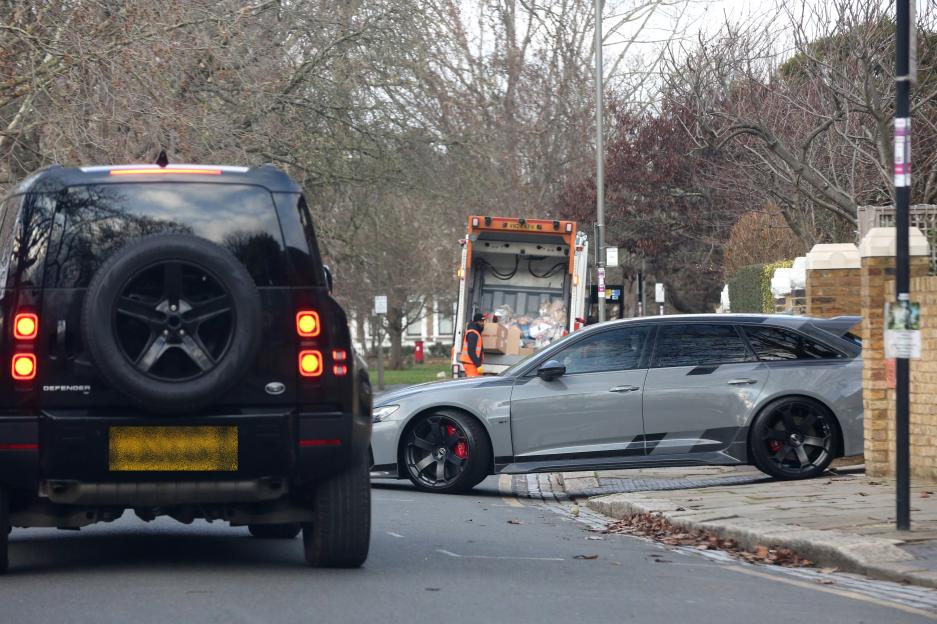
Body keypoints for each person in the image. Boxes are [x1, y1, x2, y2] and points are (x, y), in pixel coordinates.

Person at [460, 312, 485, 377]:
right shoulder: (473, 333)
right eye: (481, 321)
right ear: (476, 322)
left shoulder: (475, 332)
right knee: (472, 384)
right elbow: (471, 351)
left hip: (472, 364)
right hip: (471, 365)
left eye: (483, 321)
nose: (482, 323)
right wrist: (478, 365)